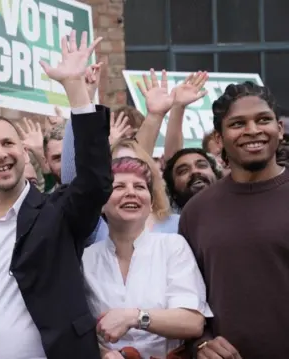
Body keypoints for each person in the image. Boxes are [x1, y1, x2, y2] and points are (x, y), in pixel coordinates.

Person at [0, 30, 111, 358]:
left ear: (25, 153)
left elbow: (95, 181)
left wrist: (77, 93)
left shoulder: (58, 212)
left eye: (8, 143)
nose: (0, 154)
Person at [180, 82, 289, 358]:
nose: (253, 130)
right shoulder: (196, 212)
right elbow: (187, 300)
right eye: (238, 123)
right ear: (218, 139)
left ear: (280, 128)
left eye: (263, 120)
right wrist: (202, 343)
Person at [83, 157, 211, 358]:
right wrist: (101, 353)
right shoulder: (86, 259)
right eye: (118, 187)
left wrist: (134, 317)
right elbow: (77, 329)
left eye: (139, 187)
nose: (131, 192)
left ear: (151, 204)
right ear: (100, 204)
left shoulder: (172, 246)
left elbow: (193, 322)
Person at [91, 139, 179, 243]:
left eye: (136, 164)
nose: (128, 170)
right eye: (118, 164)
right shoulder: (95, 227)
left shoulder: (178, 223)